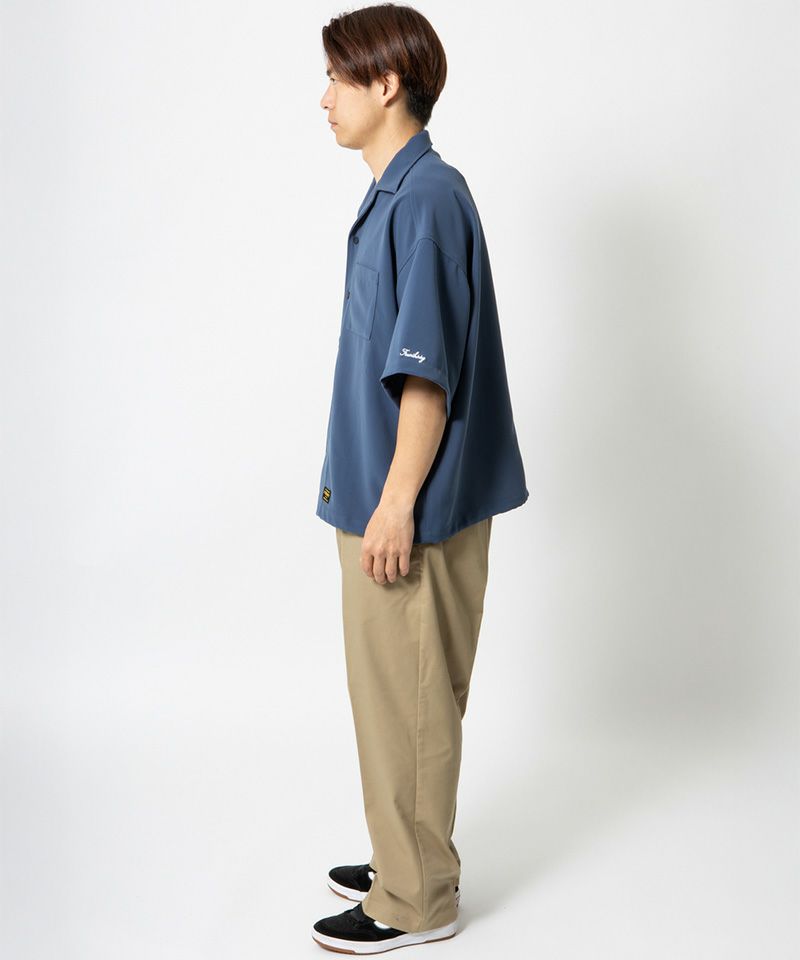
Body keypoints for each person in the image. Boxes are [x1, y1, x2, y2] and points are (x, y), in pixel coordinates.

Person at [312, 4, 529, 952]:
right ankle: (408, 857)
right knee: (400, 697)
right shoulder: (396, 196)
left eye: (336, 77)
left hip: (412, 507)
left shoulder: (427, 200)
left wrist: (396, 503)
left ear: (386, 82)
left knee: (411, 702)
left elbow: (426, 377)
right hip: (386, 496)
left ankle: (415, 902)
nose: (323, 98)